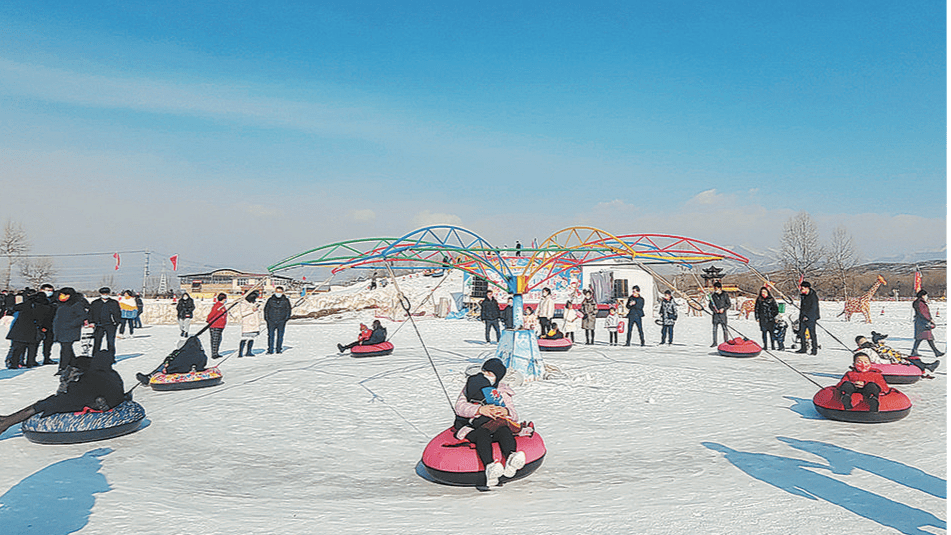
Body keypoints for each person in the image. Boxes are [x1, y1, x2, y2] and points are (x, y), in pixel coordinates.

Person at [0, 347, 126, 435]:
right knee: (46, 402)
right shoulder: (113, 375)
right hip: (94, 400)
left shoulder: (92, 375)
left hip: (85, 402)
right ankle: (8, 419)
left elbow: (75, 391)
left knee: (42, 404)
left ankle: (6, 423)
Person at [452, 358, 526, 487]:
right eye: (485, 371)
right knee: (482, 434)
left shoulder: (502, 392)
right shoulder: (471, 386)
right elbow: (460, 407)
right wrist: (479, 409)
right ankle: (490, 466)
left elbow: (514, 415)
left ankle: (511, 458)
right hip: (472, 426)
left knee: (504, 430)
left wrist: (505, 411)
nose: (486, 375)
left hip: (495, 425)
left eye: (490, 373)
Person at [855, 333, 939, 374]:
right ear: (859, 344)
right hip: (887, 360)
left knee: (911, 357)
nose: (866, 342)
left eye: (865, 340)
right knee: (908, 360)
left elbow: (883, 350)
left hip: (890, 356)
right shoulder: (864, 351)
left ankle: (927, 366)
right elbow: (876, 359)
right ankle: (927, 366)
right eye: (863, 342)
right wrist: (890, 360)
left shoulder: (872, 346)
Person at [52, 287, 90, 374]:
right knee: (66, 349)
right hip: (60, 330)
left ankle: (63, 367)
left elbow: (82, 316)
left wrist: (71, 324)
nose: (63, 297)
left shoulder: (76, 304)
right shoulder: (60, 304)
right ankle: (74, 364)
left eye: (65, 295)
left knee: (65, 349)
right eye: (61, 294)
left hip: (70, 330)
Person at [5, 290, 40, 368]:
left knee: (18, 348)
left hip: (20, 329)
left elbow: (13, 308)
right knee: (32, 347)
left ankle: (14, 363)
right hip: (32, 328)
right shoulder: (40, 306)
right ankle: (30, 362)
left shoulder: (23, 305)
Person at [911, 290, 944, 358]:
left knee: (922, 338)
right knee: (927, 337)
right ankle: (936, 352)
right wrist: (930, 319)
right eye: (926, 295)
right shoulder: (921, 303)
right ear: (923, 295)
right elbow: (924, 313)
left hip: (920, 322)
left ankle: (914, 351)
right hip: (923, 322)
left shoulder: (918, 302)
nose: (926, 297)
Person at [88, 287, 121, 354]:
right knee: (97, 341)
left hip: (110, 325)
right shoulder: (95, 303)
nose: (105, 295)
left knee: (110, 341)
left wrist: (116, 322)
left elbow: (118, 313)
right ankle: (95, 356)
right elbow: (90, 313)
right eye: (103, 293)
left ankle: (111, 356)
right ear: (101, 294)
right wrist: (91, 322)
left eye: (106, 293)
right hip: (98, 324)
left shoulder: (114, 303)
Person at [264, 286, 292, 354]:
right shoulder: (270, 300)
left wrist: (286, 318)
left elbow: (288, 309)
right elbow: (266, 309)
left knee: (280, 335)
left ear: (282, 292)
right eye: (277, 291)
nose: (278, 293)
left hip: (281, 320)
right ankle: (270, 349)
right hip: (271, 320)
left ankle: (278, 349)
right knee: (271, 335)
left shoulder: (285, 300)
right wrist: (267, 318)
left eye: (280, 292)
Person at [796, 281, 819, 355]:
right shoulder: (803, 295)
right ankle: (803, 348)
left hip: (811, 317)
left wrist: (808, 316)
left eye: (802, 288)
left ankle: (814, 349)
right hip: (803, 317)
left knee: (812, 334)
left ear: (807, 288)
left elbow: (813, 308)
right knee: (801, 332)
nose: (801, 290)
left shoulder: (813, 296)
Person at [236, 290, 261, 357]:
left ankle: (249, 351)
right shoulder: (243, 303)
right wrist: (251, 310)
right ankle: (240, 352)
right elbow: (242, 313)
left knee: (251, 338)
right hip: (247, 322)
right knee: (244, 338)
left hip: (254, 323)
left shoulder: (254, 302)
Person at [36, 284, 57, 365]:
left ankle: (47, 358)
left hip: (50, 324)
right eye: (47, 290)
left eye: (51, 291)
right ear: (42, 290)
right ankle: (31, 359)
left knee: (48, 342)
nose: (49, 292)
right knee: (35, 343)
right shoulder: (36, 299)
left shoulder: (54, 300)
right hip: (38, 324)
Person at [709, 282, 731, 347]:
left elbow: (728, 304)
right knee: (714, 329)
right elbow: (710, 305)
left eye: (716, 288)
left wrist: (723, 309)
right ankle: (715, 342)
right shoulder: (713, 295)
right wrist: (714, 310)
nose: (715, 289)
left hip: (723, 315)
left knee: (725, 329)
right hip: (715, 315)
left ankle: (726, 341)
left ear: (720, 288)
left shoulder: (725, 295)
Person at [206, 293, 228, 359]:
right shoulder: (218, 306)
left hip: (220, 325)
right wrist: (208, 320)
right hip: (215, 325)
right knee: (215, 340)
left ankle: (216, 352)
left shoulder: (222, 305)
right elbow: (212, 314)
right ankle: (214, 354)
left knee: (218, 339)